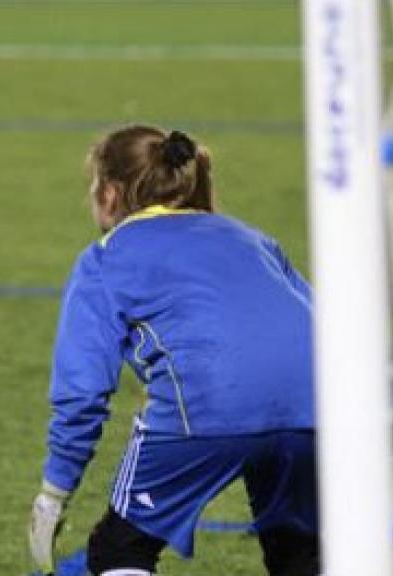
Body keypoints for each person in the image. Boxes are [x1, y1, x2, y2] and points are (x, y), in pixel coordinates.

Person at [29, 125, 319, 576]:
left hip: (206, 406)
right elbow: (322, 328)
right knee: (299, 553)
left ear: (109, 193)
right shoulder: (252, 239)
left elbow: (82, 392)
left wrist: (54, 492)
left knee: (118, 552)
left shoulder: (104, 259)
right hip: (315, 407)